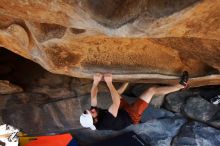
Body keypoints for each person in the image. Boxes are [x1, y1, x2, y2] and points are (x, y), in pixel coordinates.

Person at [80, 71, 189, 131]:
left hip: (120, 112)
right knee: (151, 90)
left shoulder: (93, 114)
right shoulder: (106, 121)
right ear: (95, 120)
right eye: (92, 113)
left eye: (90, 110)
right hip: (131, 116)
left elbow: (93, 96)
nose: (92, 110)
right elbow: (116, 102)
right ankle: (180, 86)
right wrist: (109, 82)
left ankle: (128, 81)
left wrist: (95, 82)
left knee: (116, 94)